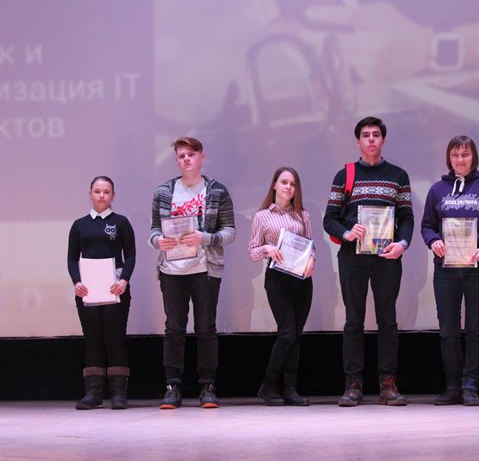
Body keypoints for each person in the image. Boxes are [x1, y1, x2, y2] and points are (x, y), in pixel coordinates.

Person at [323, 116, 414, 407]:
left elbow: (407, 217)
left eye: (376, 134)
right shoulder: (345, 175)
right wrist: (347, 233)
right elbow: (329, 219)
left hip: (387, 257)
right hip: (353, 257)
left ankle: (388, 386)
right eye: (366, 135)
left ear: (383, 140)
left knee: (388, 321)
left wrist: (402, 244)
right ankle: (353, 386)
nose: (371, 139)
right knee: (353, 321)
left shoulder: (398, 175)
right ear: (358, 141)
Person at [149, 136, 235, 409]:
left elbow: (230, 232)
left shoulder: (217, 191)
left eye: (191, 154)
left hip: (205, 269)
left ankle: (207, 386)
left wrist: (203, 238)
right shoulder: (164, 192)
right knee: (174, 329)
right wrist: (157, 241)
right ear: (176, 161)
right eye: (181, 156)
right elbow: (154, 230)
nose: (186, 159)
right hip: (171, 269)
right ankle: (172, 386)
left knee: (205, 328)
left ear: (201, 157)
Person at [421, 135, 479, 406]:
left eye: (465, 154)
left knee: (475, 329)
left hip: (478, 267)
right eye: (455, 155)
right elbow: (427, 225)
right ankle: (452, 386)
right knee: (448, 330)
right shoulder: (437, 189)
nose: (460, 159)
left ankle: (470, 386)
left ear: (474, 157)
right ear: (449, 158)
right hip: (446, 269)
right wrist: (433, 241)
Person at [67, 176, 135, 410]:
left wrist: (124, 280)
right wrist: (77, 282)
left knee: (115, 338)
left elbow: (131, 255)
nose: (101, 195)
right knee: (93, 339)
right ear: (90, 194)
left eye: (106, 191)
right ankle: (93, 394)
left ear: (113, 195)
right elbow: (71, 258)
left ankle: (118, 394)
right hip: (88, 291)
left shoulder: (122, 223)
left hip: (116, 289)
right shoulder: (79, 225)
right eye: (97, 191)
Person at [249, 167, 315, 406]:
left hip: (301, 279)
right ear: (275, 185)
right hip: (277, 279)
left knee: (296, 335)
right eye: (284, 182)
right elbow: (252, 252)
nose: (288, 187)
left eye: (293, 184)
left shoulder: (302, 215)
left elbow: (311, 245)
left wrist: (312, 259)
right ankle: (268, 386)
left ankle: (289, 389)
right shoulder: (262, 216)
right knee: (287, 332)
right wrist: (267, 248)